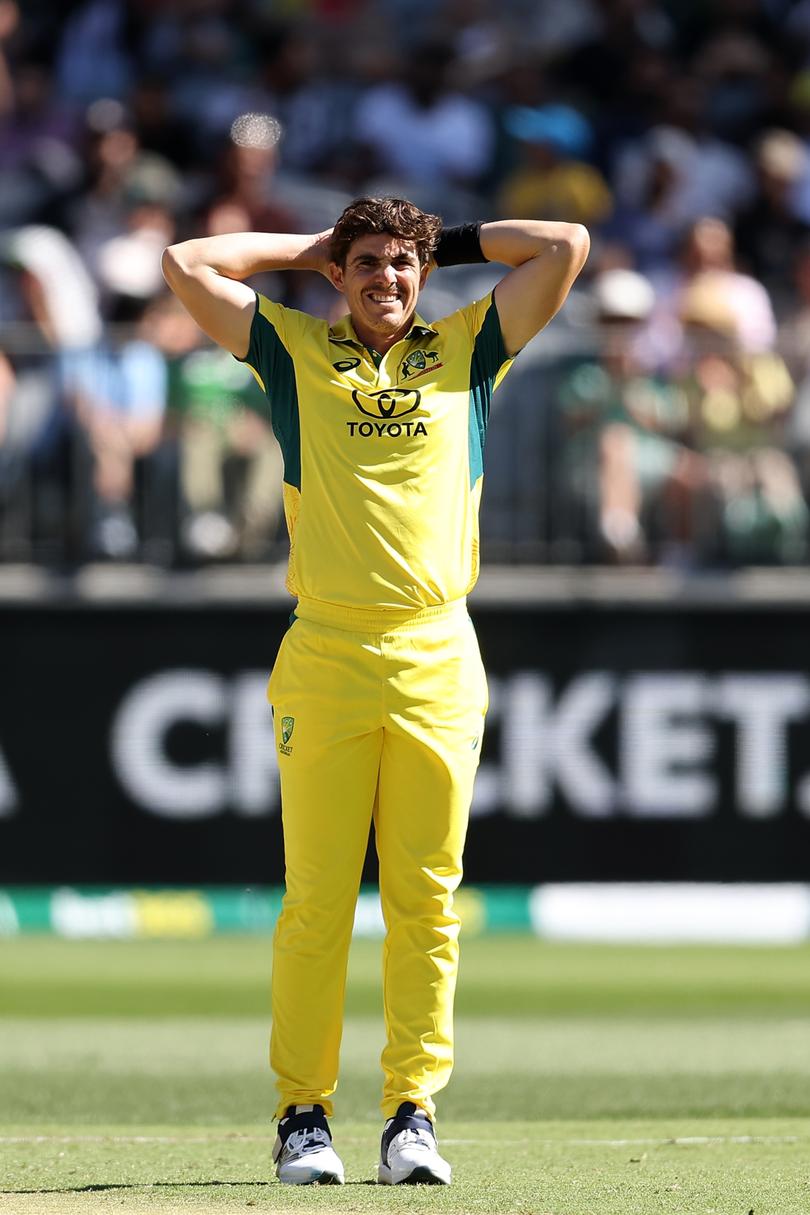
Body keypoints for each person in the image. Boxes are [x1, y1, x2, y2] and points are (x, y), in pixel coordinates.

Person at [162, 196, 588, 1186]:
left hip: (441, 652)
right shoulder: (293, 350)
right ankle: (302, 1114)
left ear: (424, 275)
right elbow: (187, 263)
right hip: (329, 652)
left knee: (426, 902)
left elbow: (565, 243)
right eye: (366, 264)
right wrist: (305, 253)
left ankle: (411, 1112)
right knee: (316, 903)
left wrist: (448, 242)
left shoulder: (469, 348)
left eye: (402, 265)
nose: (385, 280)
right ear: (338, 274)